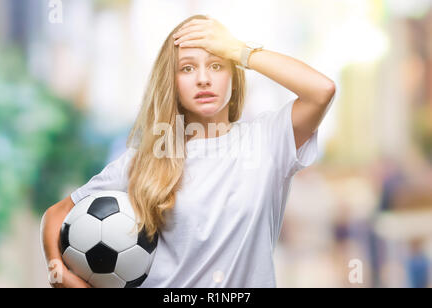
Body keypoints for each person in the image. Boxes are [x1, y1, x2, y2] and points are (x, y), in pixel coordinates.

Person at [40, 14, 336, 288]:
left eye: (217, 65)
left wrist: (240, 50)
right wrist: (60, 275)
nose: (203, 79)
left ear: (234, 75)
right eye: (187, 68)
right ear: (173, 83)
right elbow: (56, 214)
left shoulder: (268, 141)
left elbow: (321, 90)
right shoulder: (148, 157)